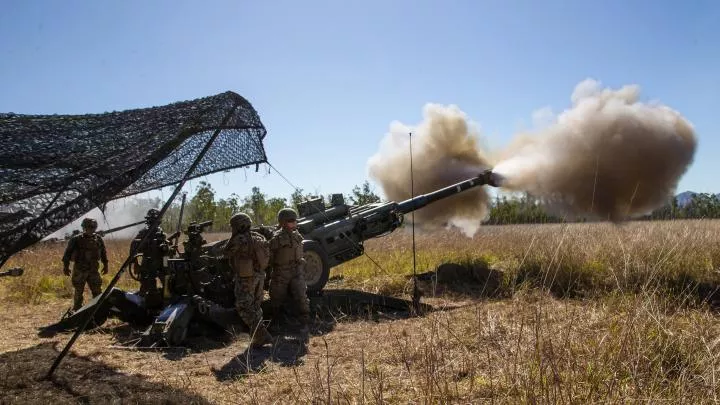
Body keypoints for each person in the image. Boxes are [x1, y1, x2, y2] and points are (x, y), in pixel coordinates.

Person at [223, 213, 273, 347]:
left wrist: (232, 238)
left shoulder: (239, 239)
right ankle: (258, 337)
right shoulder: (258, 237)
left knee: (243, 306)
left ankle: (262, 334)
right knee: (255, 307)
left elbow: (225, 252)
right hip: (260, 276)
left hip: (247, 277)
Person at [268, 207, 310, 331]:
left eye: (295, 220)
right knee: (276, 299)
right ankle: (277, 323)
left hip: (296, 271)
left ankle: (304, 322)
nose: (294, 223)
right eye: (291, 220)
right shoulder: (276, 239)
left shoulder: (297, 236)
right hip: (281, 273)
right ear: (283, 222)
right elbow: (269, 257)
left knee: (302, 296)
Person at [62, 218, 108, 311]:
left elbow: (103, 252)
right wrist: (66, 267)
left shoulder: (98, 239)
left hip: (94, 270)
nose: (92, 229)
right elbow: (67, 254)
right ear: (84, 227)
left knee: (97, 291)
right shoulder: (75, 239)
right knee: (78, 292)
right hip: (80, 270)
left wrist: (106, 265)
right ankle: (77, 311)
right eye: (90, 227)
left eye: (94, 227)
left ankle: (98, 310)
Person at [129, 208, 170, 306]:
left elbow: (165, 248)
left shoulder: (161, 232)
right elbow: (133, 247)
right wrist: (136, 263)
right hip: (148, 262)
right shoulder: (144, 232)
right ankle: (141, 305)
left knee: (167, 281)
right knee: (146, 285)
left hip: (162, 261)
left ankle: (166, 303)